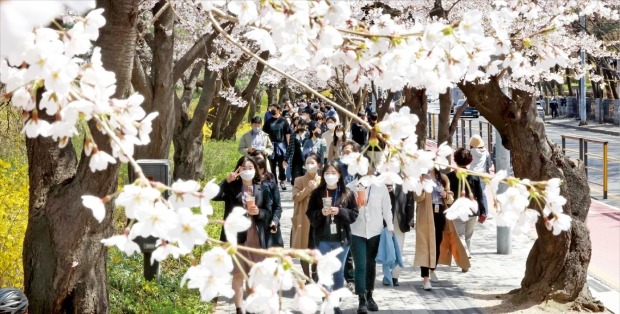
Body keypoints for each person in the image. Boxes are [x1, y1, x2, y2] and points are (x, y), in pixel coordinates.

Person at [213, 156, 273, 313]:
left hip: (255, 235)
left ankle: (251, 306)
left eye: (250, 168)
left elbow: (268, 212)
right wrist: (226, 181)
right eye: (244, 168)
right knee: (238, 273)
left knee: (253, 274)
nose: (247, 171)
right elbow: (214, 195)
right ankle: (239, 308)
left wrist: (259, 212)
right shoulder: (232, 188)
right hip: (236, 236)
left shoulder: (263, 188)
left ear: (256, 170)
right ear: (238, 170)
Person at [306, 161, 359, 303]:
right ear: (323, 175)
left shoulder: (347, 193)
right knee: (325, 271)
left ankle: (335, 303)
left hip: (342, 239)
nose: (330, 176)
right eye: (327, 173)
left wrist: (340, 211)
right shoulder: (317, 193)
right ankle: (327, 302)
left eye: (333, 173)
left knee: (338, 272)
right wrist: (320, 213)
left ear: (340, 174)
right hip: (323, 238)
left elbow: (354, 214)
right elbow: (310, 213)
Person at [347, 172, 393, 313]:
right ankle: (361, 299)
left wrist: (390, 227)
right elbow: (347, 210)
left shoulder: (380, 187)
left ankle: (370, 295)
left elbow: (387, 208)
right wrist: (356, 206)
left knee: (371, 264)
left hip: (375, 231)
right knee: (360, 265)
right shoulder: (350, 187)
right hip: (356, 231)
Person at [413, 167, 454, 291]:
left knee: (437, 243)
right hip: (425, 214)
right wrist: (423, 185)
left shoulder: (443, 178)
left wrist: (446, 195)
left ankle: (433, 269)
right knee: (424, 246)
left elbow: (451, 198)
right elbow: (417, 198)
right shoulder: (420, 177)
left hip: (439, 213)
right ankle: (425, 279)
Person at [447, 148, 487, 257]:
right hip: (472, 210)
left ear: (455, 160)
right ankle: (467, 258)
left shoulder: (450, 177)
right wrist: (483, 211)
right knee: (468, 236)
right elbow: (480, 195)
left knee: (460, 236)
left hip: (457, 210)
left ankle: (466, 255)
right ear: (469, 160)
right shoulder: (474, 175)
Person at [291, 153, 323, 280]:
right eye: (307, 163)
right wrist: (308, 189)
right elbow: (296, 197)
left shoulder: (322, 180)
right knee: (304, 248)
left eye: (312, 163)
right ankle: (307, 277)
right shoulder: (299, 180)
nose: (309, 165)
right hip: (303, 218)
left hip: (318, 218)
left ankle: (315, 274)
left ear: (319, 165)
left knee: (316, 248)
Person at [383, 182, 415, 287]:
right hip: (384, 221)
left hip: (399, 221)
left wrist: (410, 219)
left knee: (398, 249)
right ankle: (387, 275)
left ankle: (395, 276)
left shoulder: (405, 180)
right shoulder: (382, 178)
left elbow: (410, 201)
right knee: (386, 249)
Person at [254, 157, 284, 248]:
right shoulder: (246, 186)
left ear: (263, 169)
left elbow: (277, 206)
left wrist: (275, 221)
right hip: (254, 227)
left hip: (269, 225)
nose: (257, 171)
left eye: (260, 168)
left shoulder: (271, 186)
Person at [263, 104, 291, 190]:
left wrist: (288, 145)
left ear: (278, 110)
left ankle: (282, 181)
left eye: (274, 109)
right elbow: (264, 134)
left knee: (281, 165)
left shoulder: (283, 121)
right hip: (271, 146)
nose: (272, 110)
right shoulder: (268, 121)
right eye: (271, 109)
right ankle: (274, 182)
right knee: (272, 165)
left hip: (281, 145)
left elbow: (287, 133)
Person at [469, 135, 492, 216]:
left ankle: (474, 211)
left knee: (473, 193)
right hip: (482, 175)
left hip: (472, 175)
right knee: (482, 194)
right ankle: (485, 212)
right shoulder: (486, 152)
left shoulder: (471, 152)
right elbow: (489, 164)